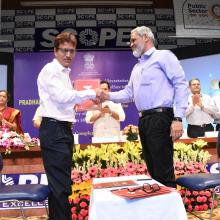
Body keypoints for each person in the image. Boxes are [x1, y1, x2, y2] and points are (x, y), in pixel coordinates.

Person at [102, 26, 188, 188]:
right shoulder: (137, 67)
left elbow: (181, 84)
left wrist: (178, 117)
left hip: (161, 118)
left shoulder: (163, 56)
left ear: (146, 38)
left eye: (134, 40)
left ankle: (169, 213)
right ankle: (159, 211)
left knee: (163, 171)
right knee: (154, 172)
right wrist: (107, 96)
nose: (131, 44)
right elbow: (128, 93)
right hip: (144, 120)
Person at [37, 32, 99, 220]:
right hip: (54, 130)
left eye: (72, 51)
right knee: (61, 187)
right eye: (64, 50)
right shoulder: (51, 70)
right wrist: (90, 93)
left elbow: (66, 103)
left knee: (60, 185)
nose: (68, 55)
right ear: (55, 51)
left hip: (62, 130)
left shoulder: (64, 73)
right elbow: (62, 97)